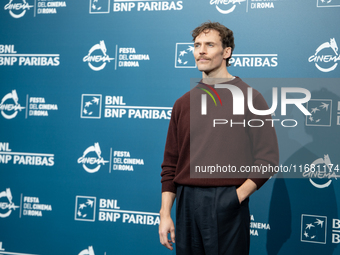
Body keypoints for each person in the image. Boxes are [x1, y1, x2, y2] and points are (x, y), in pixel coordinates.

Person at [159, 21, 279, 255]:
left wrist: (235, 197)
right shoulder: (183, 104)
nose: (201, 50)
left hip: (227, 202)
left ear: (226, 52)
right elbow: (170, 165)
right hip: (186, 205)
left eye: (209, 44)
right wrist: (165, 214)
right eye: (197, 45)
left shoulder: (250, 98)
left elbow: (268, 159)